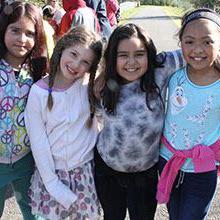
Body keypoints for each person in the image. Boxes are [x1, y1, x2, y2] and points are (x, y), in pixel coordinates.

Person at [94, 23, 183, 220]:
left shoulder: (160, 70)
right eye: (123, 55)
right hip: (107, 170)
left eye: (139, 54)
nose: (131, 62)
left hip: (146, 172)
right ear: (112, 58)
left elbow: (193, 48)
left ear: (149, 54)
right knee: (111, 216)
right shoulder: (102, 85)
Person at [25, 26, 103, 219]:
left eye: (85, 61)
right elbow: (39, 143)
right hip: (52, 177)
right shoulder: (38, 92)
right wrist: (53, 185)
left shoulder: (89, 86)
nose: (76, 64)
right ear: (62, 48)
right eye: (73, 54)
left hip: (86, 175)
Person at [157, 8, 220, 220]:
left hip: (202, 170)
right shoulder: (173, 75)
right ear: (180, 43)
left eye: (207, 42)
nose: (197, 50)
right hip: (167, 161)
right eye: (189, 41)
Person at [0, 1, 47, 219]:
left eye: (30, 33)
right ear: (3, 29)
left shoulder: (38, 72)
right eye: (15, 30)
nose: (22, 39)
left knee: (34, 213)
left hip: (26, 160)